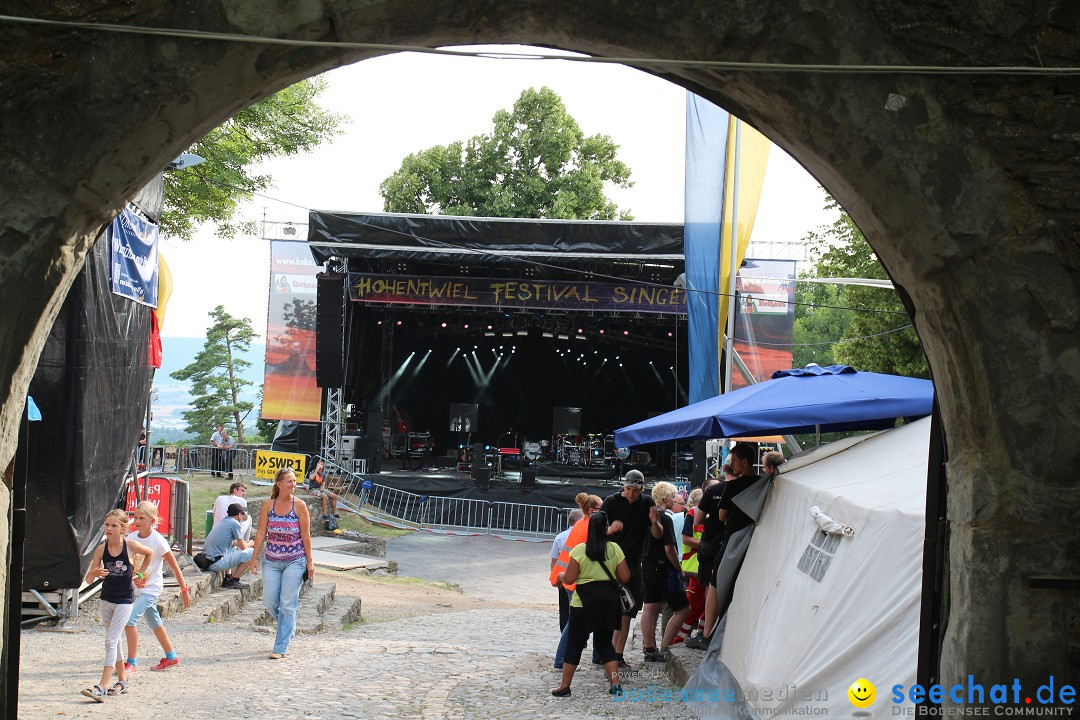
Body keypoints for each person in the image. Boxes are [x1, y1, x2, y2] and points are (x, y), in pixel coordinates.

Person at [551, 511, 630, 698]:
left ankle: (564, 686)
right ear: (605, 528)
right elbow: (625, 577)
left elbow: (570, 578)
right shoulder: (615, 549)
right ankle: (615, 686)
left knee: (575, 643)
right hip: (608, 602)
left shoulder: (579, 550)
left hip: (583, 602)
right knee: (605, 644)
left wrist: (561, 576)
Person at [694, 442, 762, 649]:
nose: (731, 465)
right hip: (757, 538)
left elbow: (722, 516)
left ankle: (706, 635)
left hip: (732, 539)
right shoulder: (762, 483)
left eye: (733, 460)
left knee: (715, 583)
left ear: (744, 461)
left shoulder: (732, 487)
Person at [80, 510, 153, 702]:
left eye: (114, 525)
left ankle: (102, 685)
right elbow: (88, 579)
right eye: (106, 525)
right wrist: (94, 572)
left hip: (125, 600)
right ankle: (122, 680)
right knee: (115, 641)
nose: (109, 529)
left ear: (123, 529)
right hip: (106, 599)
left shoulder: (129, 545)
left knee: (111, 640)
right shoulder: (100, 550)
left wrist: (140, 574)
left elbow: (149, 554)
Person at [252, 467, 314, 659]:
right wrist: (254, 557)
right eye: (289, 481)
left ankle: (280, 646)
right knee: (270, 602)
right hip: (272, 560)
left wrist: (310, 562)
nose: (293, 484)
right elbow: (261, 532)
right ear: (279, 484)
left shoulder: (300, 505)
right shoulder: (268, 504)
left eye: (294, 481)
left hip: (295, 560)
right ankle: (289, 627)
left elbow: (306, 534)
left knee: (287, 605)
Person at [124, 501, 191, 673]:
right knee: (155, 621)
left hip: (151, 588)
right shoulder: (131, 538)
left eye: (142, 518)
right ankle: (171, 656)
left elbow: (175, 567)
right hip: (136, 588)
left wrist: (184, 590)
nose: (137, 521)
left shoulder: (158, 541)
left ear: (152, 521)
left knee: (129, 620)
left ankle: (131, 662)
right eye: (135, 517)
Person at [600, 469, 654, 669]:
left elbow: (656, 533)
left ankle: (617, 654)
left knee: (628, 609)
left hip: (632, 563)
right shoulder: (612, 502)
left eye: (635, 490)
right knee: (608, 610)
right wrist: (610, 530)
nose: (631, 494)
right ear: (623, 486)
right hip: (610, 563)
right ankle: (605, 653)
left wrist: (655, 521)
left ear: (642, 489)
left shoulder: (646, 503)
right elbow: (594, 533)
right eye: (628, 489)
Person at [550, 494, 603, 670]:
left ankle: (596, 656)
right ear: (591, 510)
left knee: (578, 621)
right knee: (575, 623)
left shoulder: (580, 524)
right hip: (577, 581)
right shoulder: (589, 527)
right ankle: (563, 660)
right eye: (600, 509)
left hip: (570, 579)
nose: (603, 513)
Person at [638, 481, 690, 661]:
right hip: (663, 568)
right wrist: (679, 568)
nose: (676, 499)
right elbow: (669, 549)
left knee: (650, 607)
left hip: (647, 565)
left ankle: (649, 648)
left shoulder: (645, 517)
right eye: (673, 496)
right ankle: (665, 647)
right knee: (683, 608)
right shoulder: (665, 518)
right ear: (666, 498)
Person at [202, 503, 255, 587]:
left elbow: (232, 543)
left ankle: (227, 577)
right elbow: (243, 547)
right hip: (215, 564)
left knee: (232, 547)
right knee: (252, 552)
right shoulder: (235, 524)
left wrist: (246, 543)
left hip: (206, 561)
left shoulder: (224, 521)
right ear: (239, 515)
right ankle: (234, 580)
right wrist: (250, 544)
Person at [551, 508, 585, 637]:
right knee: (579, 609)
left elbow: (554, 560)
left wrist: (555, 579)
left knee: (565, 610)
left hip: (563, 579)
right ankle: (579, 637)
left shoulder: (560, 537)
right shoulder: (583, 535)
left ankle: (565, 636)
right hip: (579, 578)